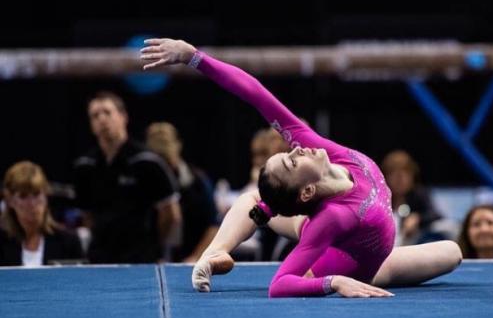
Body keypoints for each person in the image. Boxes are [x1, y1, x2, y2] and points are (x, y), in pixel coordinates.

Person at [141, 38, 462, 298]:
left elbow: (255, 93)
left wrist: (193, 57)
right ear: (307, 189)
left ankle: (231, 240)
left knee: (452, 253)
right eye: (292, 160)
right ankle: (211, 257)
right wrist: (334, 282)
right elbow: (279, 285)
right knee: (275, 221)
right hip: (358, 266)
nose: (297, 149)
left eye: (290, 152)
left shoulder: (318, 149)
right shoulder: (333, 217)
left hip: (373, 250)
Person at [73, 91, 182, 264]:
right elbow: (87, 216)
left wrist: (154, 247)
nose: (102, 119)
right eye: (95, 115)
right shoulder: (85, 166)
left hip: (141, 257)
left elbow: (171, 214)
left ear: (123, 116)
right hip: (100, 258)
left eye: (107, 112)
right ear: (91, 124)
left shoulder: (147, 162)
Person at [146, 121, 219, 263]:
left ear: (178, 145)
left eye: (166, 143)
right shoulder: (143, 183)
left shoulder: (198, 181)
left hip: (191, 258)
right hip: (151, 261)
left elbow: (214, 225)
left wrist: (195, 258)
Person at [0, 161, 83, 266]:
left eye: (36, 194)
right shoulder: (2, 242)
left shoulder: (68, 241)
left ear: (46, 195)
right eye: (23, 196)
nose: (32, 203)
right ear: (9, 200)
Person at [381, 150, 448, 246]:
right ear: (385, 176)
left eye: (405, 173)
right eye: (394, 174)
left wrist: (418, 218)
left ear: (412, 175)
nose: (399, 180)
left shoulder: (420, 194)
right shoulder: (380, 198)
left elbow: (435, 214)